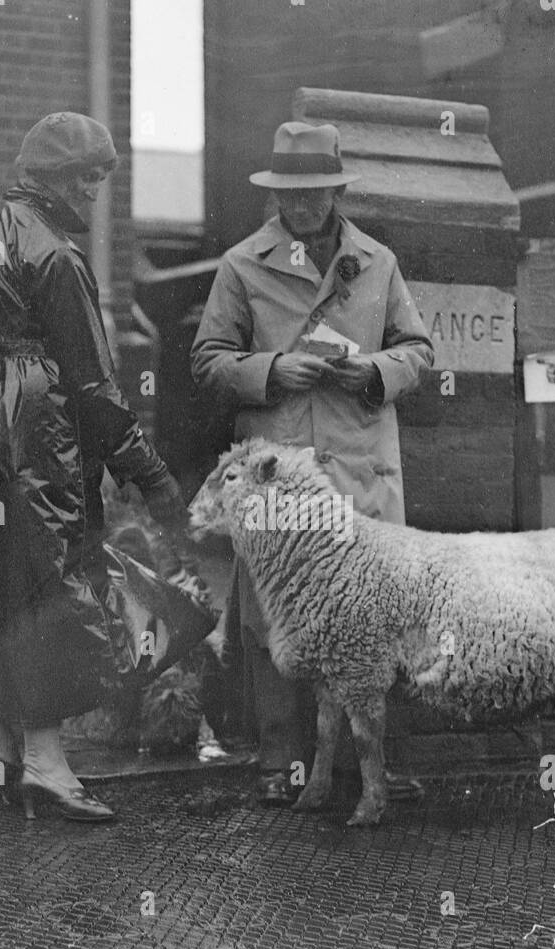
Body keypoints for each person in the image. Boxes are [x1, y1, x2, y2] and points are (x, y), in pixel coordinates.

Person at [0, 111, 188, 822]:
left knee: (2, 585)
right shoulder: (56, 256)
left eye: (103, 176)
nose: (96, 191)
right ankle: (47, 764)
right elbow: (94, 388)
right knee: (52, 590)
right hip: (38, 437)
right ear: (53, 177)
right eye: (88, 176)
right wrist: (148, 472)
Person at [191, 121, 434, 806]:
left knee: (370, 614)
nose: (302, 207)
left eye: (315, 193)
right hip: (281, 471)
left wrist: (373, 371)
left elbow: (417, 348)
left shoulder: (377, 262)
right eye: (290, 195)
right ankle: (280, 759)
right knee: (275, 614)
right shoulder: (242, 265)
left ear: (334, 189)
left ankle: (371, 766)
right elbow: (206, 359)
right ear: (275, 194)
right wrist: (271, 370)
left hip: (358, 463)